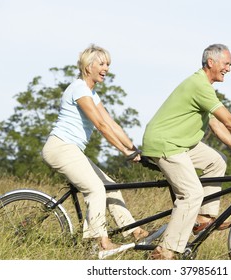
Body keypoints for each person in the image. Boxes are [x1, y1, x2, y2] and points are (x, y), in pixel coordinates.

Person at [142, 43, 231, 259]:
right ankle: (166, 250)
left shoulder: (204, 87)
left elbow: (217, 125)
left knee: (216, 161)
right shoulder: (199, 85)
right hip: (165, 143)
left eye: (230, 65)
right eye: (226, 63)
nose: (229, 69)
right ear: (211, 62)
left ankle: (204, 218)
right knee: (192, 193)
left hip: (180, 142)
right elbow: (229, 121)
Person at [42, 44, 148, 252]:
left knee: (111, 185)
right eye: (101, 63)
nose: (106, 68)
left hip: (70, 149)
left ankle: (134, 231)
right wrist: (123, 151)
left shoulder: (91, 93)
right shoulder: (79, 89)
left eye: (108, 64)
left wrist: (133, 148)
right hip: (61, 147)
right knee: (96, 189)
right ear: (88, 66)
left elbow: (110, 122)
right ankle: (100, 242)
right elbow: (100, 126)